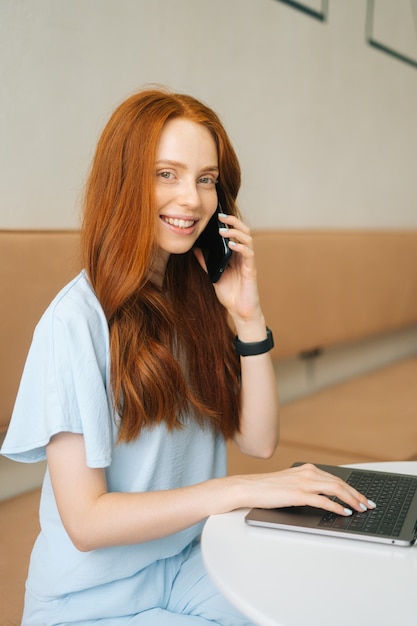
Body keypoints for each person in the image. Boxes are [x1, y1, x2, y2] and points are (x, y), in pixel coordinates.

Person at [1, 88, 375, 625]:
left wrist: (248, 316)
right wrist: (238, 489)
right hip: (92, 600)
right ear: (126, 182)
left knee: (323, 603)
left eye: (205, 179)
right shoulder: (75, 322)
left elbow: (258, 440)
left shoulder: (195, 298)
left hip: (187, 565)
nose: (193, 200)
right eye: (167, 174)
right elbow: (87, 522)